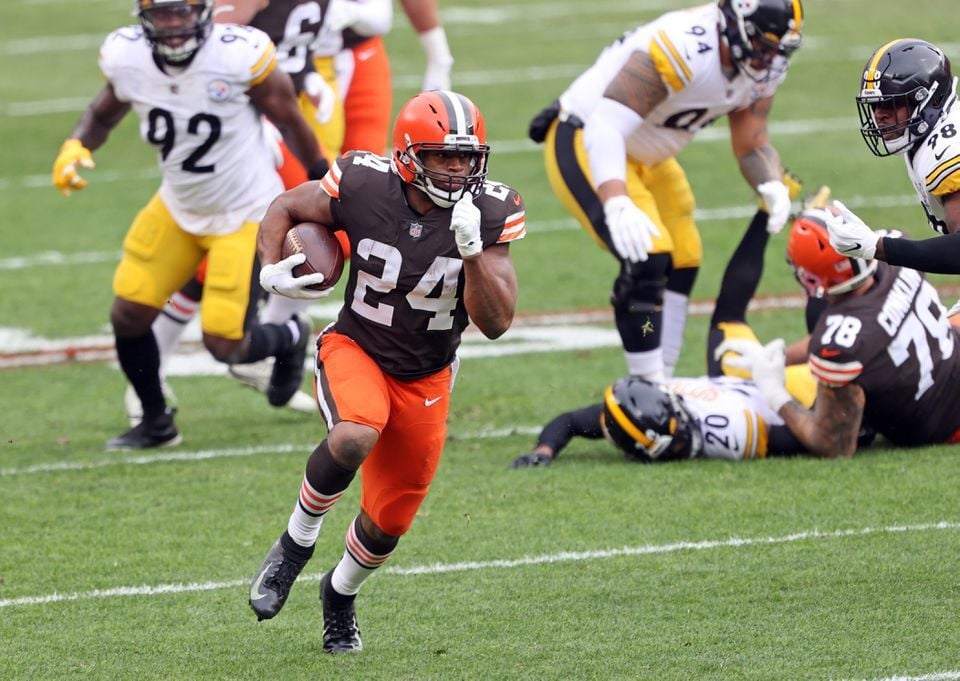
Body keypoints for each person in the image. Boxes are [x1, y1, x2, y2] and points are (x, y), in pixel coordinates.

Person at [248, 91, 525, 653]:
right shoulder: (363, 183)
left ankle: (339, 595)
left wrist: (472, 253)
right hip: (359, 347)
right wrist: (269, 269)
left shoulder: (490, 211)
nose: (457, 169)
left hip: (427, 374)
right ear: (406, 154)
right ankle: (295, 545)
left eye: (466, 157)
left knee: (388, 523)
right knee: (355, 433)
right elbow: (284, 207)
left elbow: (495, 323)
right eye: (442, 156)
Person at [51, 0, 330, 449]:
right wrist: (76, 144)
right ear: (144, 17)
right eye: (162, 14)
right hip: (179, 206)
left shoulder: (237, 54)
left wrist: (322, 175)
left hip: (244, 212)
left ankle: (292, 336)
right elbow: (104, 112)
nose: (174, 24)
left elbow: (288, 116)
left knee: (225, 344)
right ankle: (156, 422)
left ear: (202, 12)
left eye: (182, 12)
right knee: (128, 313)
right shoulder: (129, 56)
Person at [526, 0, 803, 383]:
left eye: (777, 49)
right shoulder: (685, 47)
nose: (768, 58)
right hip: (588, 137)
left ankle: (663, 382)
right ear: (731, 24)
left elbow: (751, 140)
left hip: (648, 155)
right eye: (762, 44)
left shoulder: (764, 65)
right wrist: (617, 200)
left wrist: (769, 181)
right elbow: (605, 126)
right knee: (648, 259)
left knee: (685, 256)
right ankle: (648, 389)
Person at [512, 197, 820, 468]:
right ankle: (819, 260)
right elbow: (809, 435)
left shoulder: (643, 410)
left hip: (738, 380)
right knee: (829, 344)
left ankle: (770, 213)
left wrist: (544, 450)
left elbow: (570, 422)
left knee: (728, 318)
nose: (682, 440)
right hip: (788, 392)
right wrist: (779, 394)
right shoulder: (715, 429)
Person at [720, 203, 960, 458]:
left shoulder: (841, 342)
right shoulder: (895, 253)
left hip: (948, 423)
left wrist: (776, 395)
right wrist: (783, 357)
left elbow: (833, 444)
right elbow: (872, 330)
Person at [826, 39, 960, 277]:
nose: (880, 116)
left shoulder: (948, 149)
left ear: (929, 100)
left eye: (892, 103)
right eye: (876, 105)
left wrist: (877, 246)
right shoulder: (933, 135)